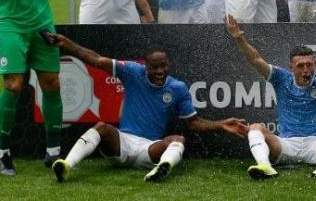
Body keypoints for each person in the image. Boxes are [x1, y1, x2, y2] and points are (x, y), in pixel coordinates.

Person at [48, 33, 247, 182]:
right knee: (101, 127)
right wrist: (67, 44)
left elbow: (194, 123)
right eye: (155, 67)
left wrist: (221, 124)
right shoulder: (132, 72)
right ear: (146, 66)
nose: (160, 71)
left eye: (163, 66)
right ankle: (66, 165)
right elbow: (97, 60)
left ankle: (160, 169)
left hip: (149, 149)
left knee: (178, 139)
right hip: (122, 144)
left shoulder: (177, 88)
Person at [0, 0, 93, 175]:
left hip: (42, 22)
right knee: (14, 85)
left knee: (51, 82)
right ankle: (3, 153)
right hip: (11, 24)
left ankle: (53, 152)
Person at [225, 15, 316, 179]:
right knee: (255, 128)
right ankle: (265, 166)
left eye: (309, 65)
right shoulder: (280, 78)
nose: (306, 70)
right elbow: (256, 60)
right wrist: (239, 38)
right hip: (285, 145)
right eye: (300, 66)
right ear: (291, 67)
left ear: (314, 64)